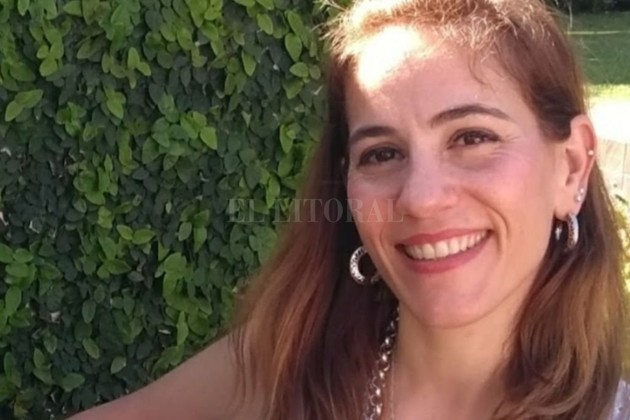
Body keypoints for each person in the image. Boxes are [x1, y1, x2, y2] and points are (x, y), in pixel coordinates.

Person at [72, 0, 630, 419]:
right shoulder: (285, 365)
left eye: (472, 137)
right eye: (382, 153)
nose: (420, 198)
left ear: (571, 166)